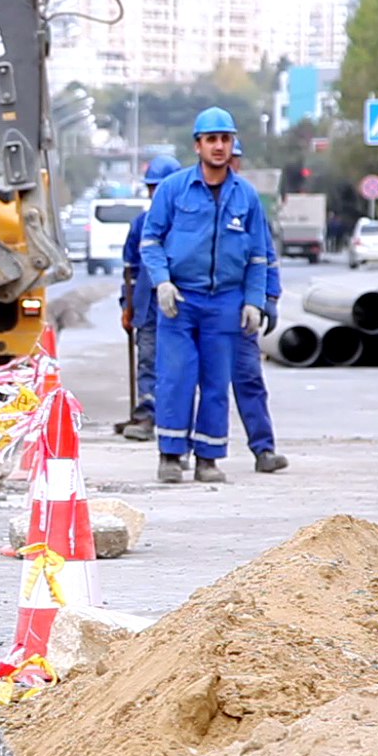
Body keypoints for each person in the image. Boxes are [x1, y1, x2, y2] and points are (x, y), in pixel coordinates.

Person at [140, 107, 269, 484]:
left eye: (225, 139)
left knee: (216, 382)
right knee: (176, 377)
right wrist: (162, 281)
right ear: (197, 145)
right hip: (181, 301)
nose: (218, 146)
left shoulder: (246, 196)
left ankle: (208, 458)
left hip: (225, 302)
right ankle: (170, 454)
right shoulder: (174, 189)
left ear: (232, 145)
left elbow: (259, 255)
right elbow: (151, 241)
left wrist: (254, 301)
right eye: (211, 139)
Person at [227, 147, 290, 474]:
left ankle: (264, 449)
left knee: (249, 379)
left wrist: (270, 297)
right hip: (203, 304)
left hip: (242, 306)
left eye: (236, 157)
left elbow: (265, 254)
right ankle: (185, 453)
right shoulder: (192, 197)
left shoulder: (246, 201)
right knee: (194, 381)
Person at [120, 154, 181, 442]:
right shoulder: (141, 224)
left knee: (176, 363)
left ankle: (172, 416)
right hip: (146, 306)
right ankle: (146, 414)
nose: (155, 194)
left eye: (161, 187)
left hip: (181, 307)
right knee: (147, 360)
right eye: (152, 188)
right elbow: (130, 270)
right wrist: (127, 307)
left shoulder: (187, 223)